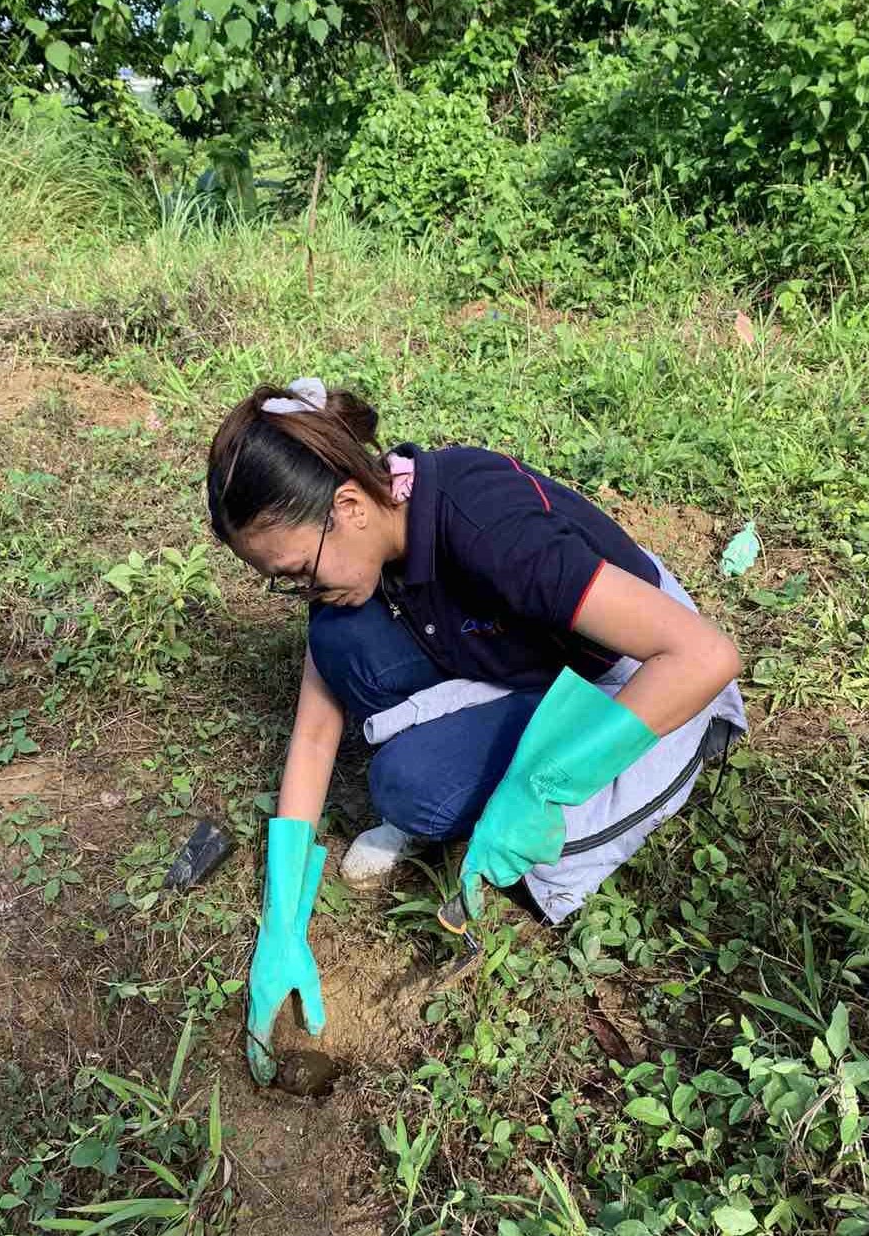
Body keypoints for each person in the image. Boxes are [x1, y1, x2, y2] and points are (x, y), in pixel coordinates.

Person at [207, 378, 746, 1083]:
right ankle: (500, 723)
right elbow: (313, 734)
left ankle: (526, 771)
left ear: (347, 506)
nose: (300, 595)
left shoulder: (488, 525)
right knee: (342, 642)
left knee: (426, 793)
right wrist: (282, 923)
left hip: (639, 670)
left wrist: (539, 784)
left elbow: (704, 655)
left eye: (295, 574)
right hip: (529, 644)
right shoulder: (377, 522)